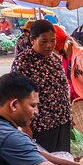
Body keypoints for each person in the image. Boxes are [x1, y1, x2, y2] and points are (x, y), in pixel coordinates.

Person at [12, 20, 72, 152]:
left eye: (53, 40)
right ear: (32, 39)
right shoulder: (23, 62)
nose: (49, 45)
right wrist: (25, 126)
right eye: (44, 41)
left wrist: (69, 115)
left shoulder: (55, 59)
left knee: (63, 160)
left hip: (62, 121)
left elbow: (62, 88)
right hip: (40, 126)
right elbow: (18, 97)